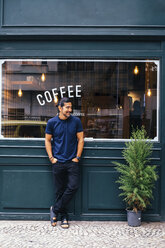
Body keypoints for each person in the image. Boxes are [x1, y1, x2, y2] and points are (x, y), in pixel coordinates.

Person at [45, 97, 84, 229]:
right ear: (60, 108)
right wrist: (51, 158)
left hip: (72, 161)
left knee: (73, 187)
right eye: (67, 107)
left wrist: (77, 157)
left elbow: (81, 139)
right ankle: (64, 216)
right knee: (59, 191)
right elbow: (47, 141)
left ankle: (55, 210)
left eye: (70, 107)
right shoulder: (51, 122)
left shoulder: (76, 121)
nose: (70, 110)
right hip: (58, 161)